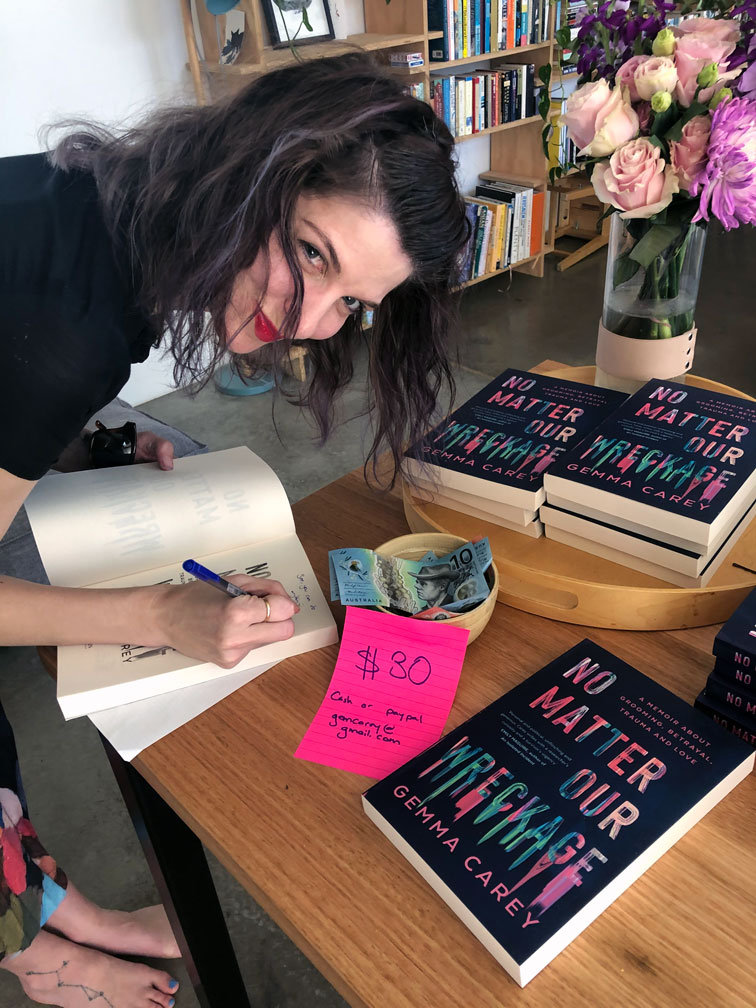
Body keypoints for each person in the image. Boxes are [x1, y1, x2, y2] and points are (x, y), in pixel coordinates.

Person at [0, 52, 469, 1006]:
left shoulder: (99, 214)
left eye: (352, 305)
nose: (310, 320)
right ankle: (37, 954)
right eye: (309, 254)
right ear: (254, 167)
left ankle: (55, 908)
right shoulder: (71, 329)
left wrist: (72, 446)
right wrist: (159, 612)